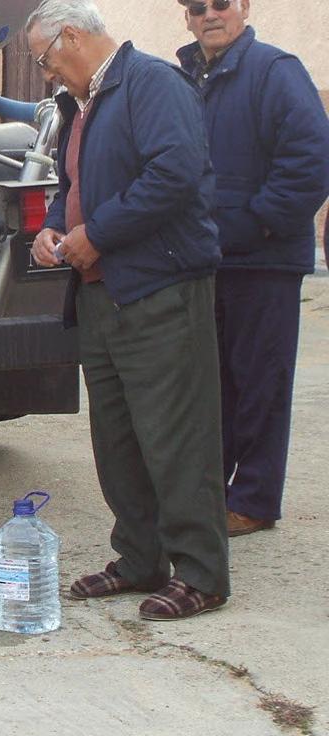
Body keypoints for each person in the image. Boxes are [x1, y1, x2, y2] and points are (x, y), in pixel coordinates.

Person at [25, 0, 231, 620]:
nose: (45, 74)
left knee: (176, 437)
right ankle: (140, 559)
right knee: (117, 439)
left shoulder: (152, 83)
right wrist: (56, 228)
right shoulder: (81, 105)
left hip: (159, 289)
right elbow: (72, 188)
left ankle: (201, 573)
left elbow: (176, 172)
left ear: (69, 37)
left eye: (44, 60)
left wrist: (100, 233)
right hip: (100, 294)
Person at [174, 0, 329, 537]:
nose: (209, 15)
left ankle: (256, 502)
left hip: (263, 262)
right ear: (185, 16)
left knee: (261, 382)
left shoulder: (274, 71)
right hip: (207, 259)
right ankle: (214, 495)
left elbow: (311, 159)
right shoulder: (186, 78)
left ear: (243, 7)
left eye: (221, 3)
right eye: (197, 7)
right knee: (212, 386)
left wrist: (259, 223)